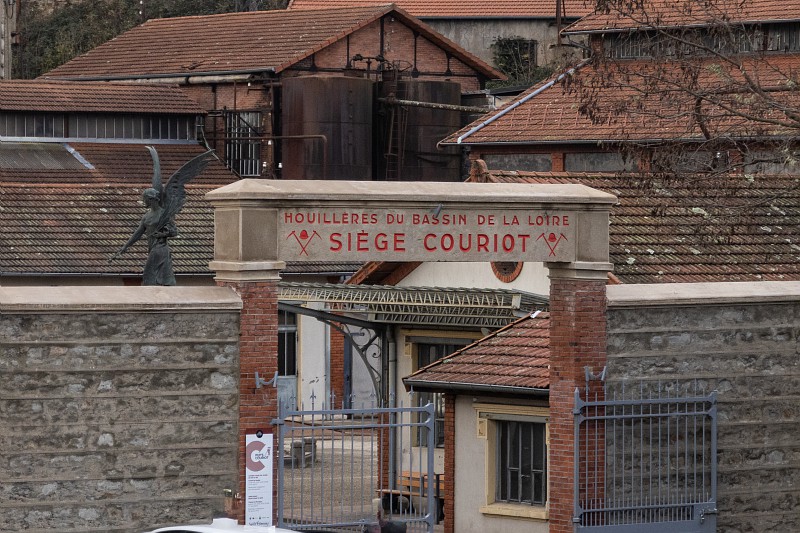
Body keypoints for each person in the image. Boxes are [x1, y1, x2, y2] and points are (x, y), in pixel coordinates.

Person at [111, 187, 178, 286]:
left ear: (150, 199)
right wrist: (125, 246)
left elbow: (174, 231)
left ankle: (158, 296)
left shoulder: (164, 214)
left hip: (160, 248)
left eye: (144, 198)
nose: (143, 201)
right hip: (152, 248)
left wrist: (163, 234)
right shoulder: (146, 216)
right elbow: (138, 233)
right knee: (154, 276)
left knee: (149, 274)